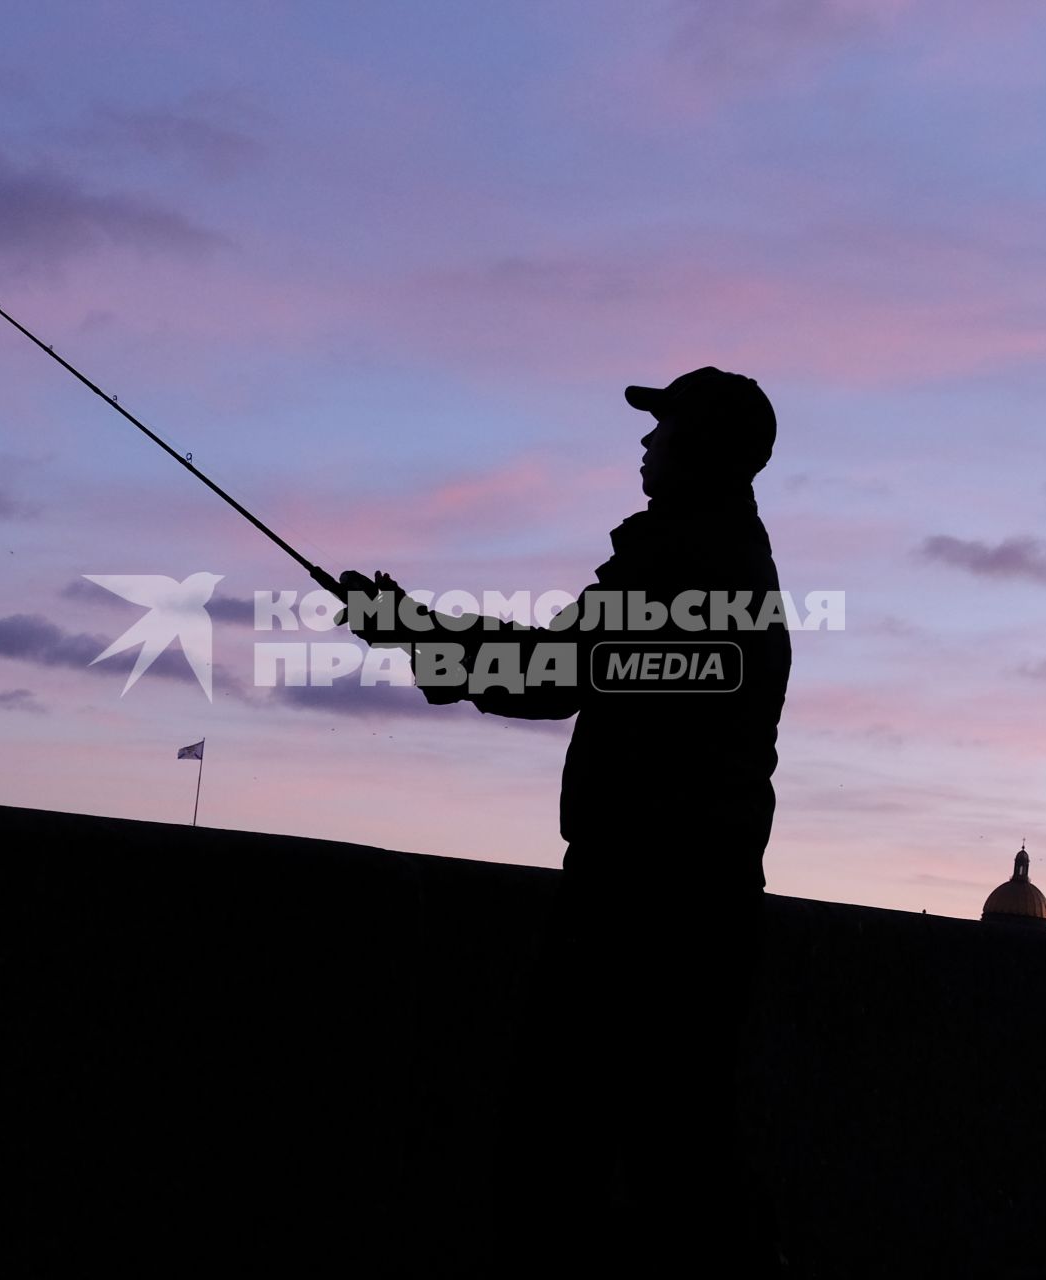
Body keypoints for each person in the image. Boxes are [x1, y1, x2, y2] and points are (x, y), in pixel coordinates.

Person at [339, 367, 792, 1274]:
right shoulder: (725, 558)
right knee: (682, 1147)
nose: (645, 441)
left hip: (640, 894)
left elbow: (554, 672)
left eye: (663, 428)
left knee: (563, 1141)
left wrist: (408, 631)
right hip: (700, 891)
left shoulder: (682, 559)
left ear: (700, 450)